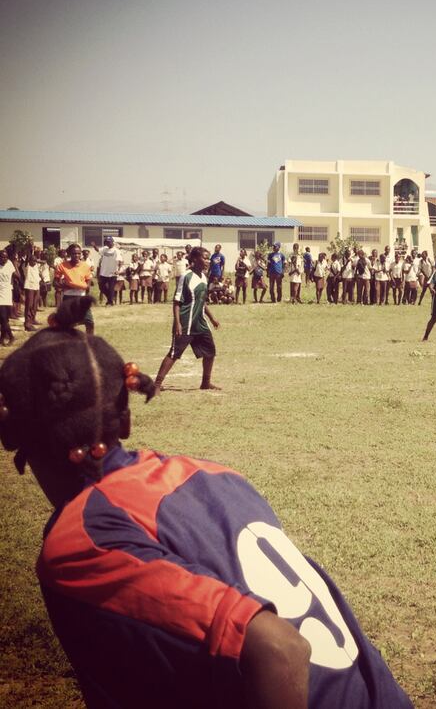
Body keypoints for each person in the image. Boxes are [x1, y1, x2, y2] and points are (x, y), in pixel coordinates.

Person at [0, 299, 413, 709]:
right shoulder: (216, 474)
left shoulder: (81, 543)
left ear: (14, 437)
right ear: (125, 419)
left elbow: (277, 648)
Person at [153, 248, 221, 394]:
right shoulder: (186, 276)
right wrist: (177, 323)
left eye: (209, 258)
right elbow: (177, 302)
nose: (208, 261)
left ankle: (205, 383)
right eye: (205, 258)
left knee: (210, 352)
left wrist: (212, 318)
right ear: (195, 259)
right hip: (185, 322)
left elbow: (201, 301)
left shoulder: (203, 277)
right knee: (174, 353)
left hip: (200, 323)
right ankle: (157, 384)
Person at [53, 243, 94, 335]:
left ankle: (90, 341)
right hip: (68, 298)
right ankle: (69, 342)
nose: (77, 255)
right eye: (74, 253)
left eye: (79, 253)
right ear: (69, 254)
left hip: (81, 298)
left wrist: (85, 287)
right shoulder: (62, 265)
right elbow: (55, 282)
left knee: (89, 322)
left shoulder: (85, 266)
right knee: (67, 323)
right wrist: (66, 286)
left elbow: (88, 282)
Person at [93, 237, 121, 306]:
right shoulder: (104, 249)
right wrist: (94, 246)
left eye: (108, 242)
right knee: (101, 287)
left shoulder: (116, 251)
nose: (107, 243)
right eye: (106, 242)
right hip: (103, 272)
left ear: (112, 242)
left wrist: (118, 270)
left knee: (111, 288)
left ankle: (110, 302)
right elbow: (98, 250)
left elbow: (120, 261)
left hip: (112, 273)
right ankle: (110, 298)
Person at [0, 249, 15, 345]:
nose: (4, 259)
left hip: (7, 293)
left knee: (4, 318)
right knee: (2, 318)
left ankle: (11, 336)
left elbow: (14, 276)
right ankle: (2, 338)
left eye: (5, 257)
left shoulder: (9, 264)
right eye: (2, 257)